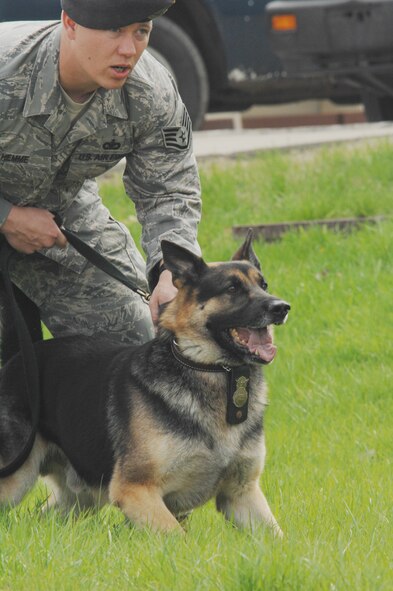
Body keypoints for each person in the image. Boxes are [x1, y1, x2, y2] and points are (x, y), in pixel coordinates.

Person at [0, 0, 202, 346]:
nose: (128, 49)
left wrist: (174, 274)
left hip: (61, 213)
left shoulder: (150, 95)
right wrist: (7, 217)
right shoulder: (7, 70)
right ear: (70, 24)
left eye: (141, 31)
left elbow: (169, 191)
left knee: (137, 347)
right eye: (113, 31)